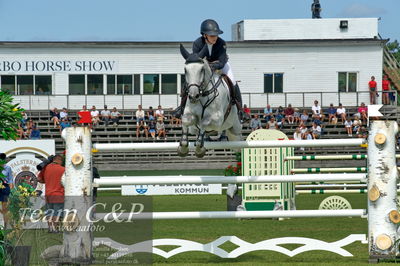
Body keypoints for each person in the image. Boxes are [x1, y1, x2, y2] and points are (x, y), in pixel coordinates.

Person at [173, 19, 243, 120]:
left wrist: (214, 66)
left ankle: (240, 109)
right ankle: (181, 107)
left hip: (220, 65)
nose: (215, 37)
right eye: (212, 35)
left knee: (232, 81)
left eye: (216, 35)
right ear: (205, 35)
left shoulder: (221, 43)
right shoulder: (197, 43)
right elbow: (197, 61)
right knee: (191, 81)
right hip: (204, 66)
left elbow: (222, 61)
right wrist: (207, 66)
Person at [37, 154, 65, 233]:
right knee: (57, 212)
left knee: (49, 212)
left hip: (48, 194)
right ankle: (55, 229)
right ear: (59, 160)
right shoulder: (63, 169)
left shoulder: (46, 168)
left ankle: (50, 228)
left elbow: (39, 179)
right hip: (59, 194)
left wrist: (47, 180)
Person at [0, 153, 14, 228]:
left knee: (4, 207)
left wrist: (11, 188)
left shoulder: (8, 168)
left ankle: (5, 224)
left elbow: (10, 179)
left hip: (5, 188)